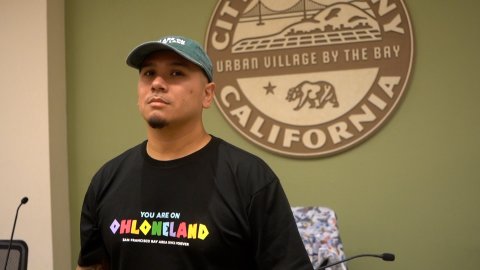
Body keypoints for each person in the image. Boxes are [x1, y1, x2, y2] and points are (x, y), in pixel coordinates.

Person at [77, 35, 313, 270]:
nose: (157, 83)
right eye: (148, 73)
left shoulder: (250, 178)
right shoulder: (106, 179)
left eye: (176, 73)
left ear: (207, 94)